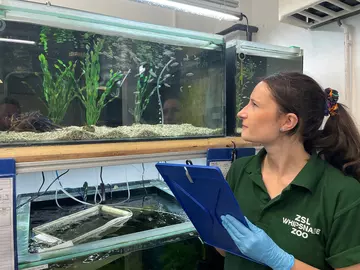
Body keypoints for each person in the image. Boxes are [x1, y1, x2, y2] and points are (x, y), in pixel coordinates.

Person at [218, 72, 360, 270]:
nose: (242, 112)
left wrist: (282, 261)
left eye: (254, 104)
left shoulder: (343, 194)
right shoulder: (240, 169)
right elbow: (225, 250)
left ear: (288, 122)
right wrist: (205, 220)